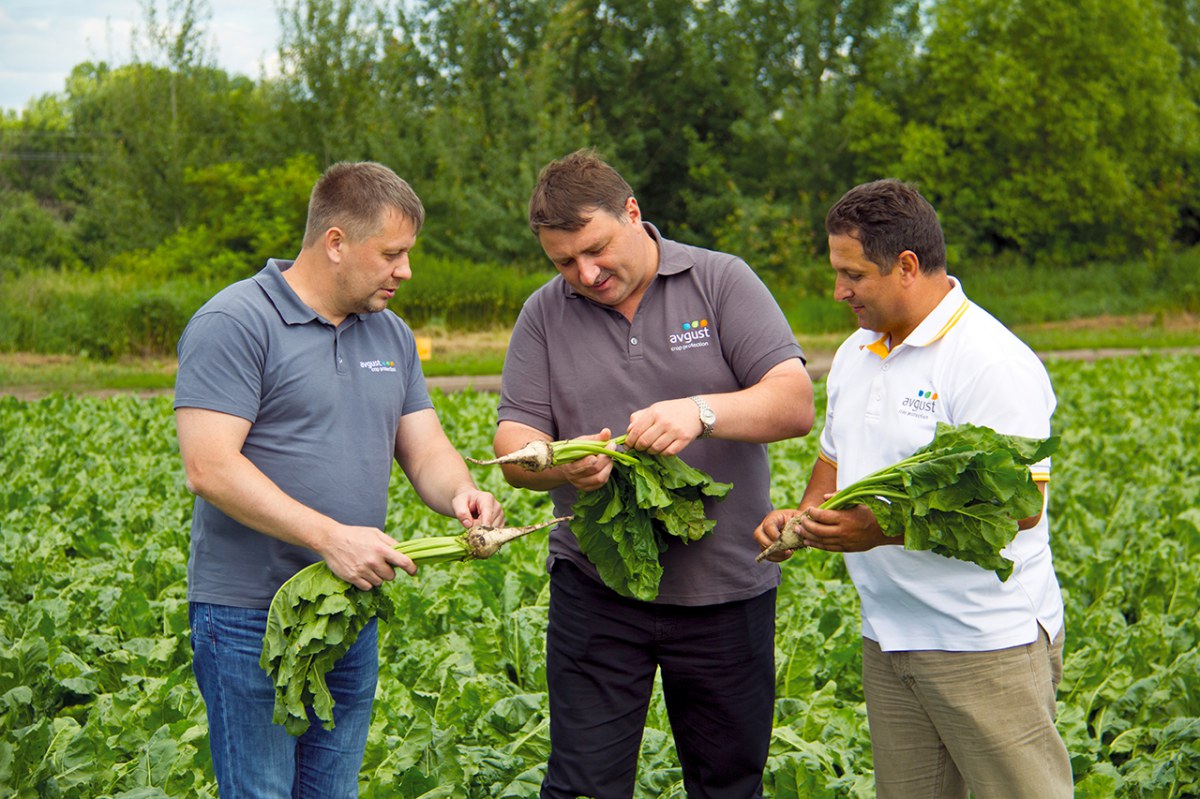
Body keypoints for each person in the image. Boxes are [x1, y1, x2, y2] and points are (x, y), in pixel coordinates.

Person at [174, 161, 504, 796]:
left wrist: (461, 493)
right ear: (335, 242)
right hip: (252, 615)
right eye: (392, 254)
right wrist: (332, 538)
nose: (405, 271)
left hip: (348, 608)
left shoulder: (391, 334)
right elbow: (209, 467)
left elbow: (425, 447)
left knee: (332, 790)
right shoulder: (235, 322)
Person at [493, 148, 815, 799]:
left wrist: (702, 412)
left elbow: (794, 400)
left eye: (596, 248)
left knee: (726, 782)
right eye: (564, 262)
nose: (585, 272)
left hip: (726, 585)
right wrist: (554, 458)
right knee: (583, 783)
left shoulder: (721, 281)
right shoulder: (544, 314)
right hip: (597, 586)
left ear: (632, 212)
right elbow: (514, 436)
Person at [755, 179, 1072, 798]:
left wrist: (880, 531)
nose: (839, 290)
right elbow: (833, 462)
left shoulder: (990, 361)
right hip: (889, 634)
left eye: (854, 275)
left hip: (983, 641)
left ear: (906, 266)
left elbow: (1022, 506)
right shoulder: (856, 353)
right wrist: (801, 519)